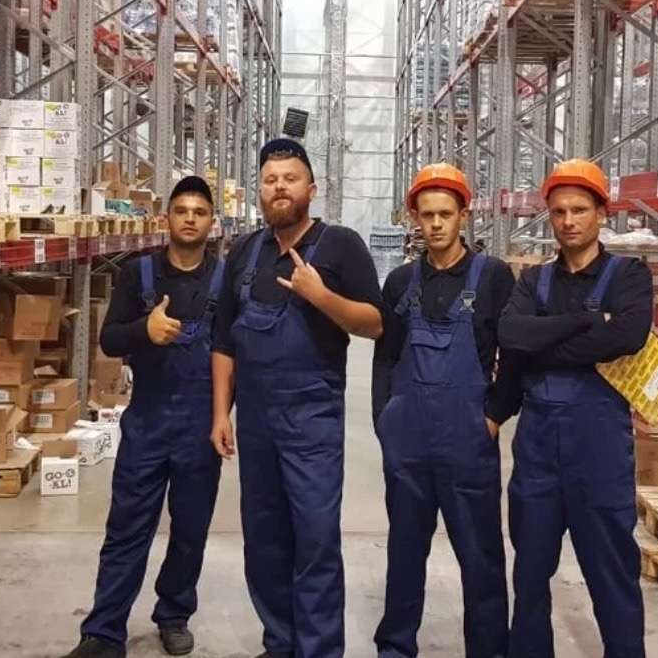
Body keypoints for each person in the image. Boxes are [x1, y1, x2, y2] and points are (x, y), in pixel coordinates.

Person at [210, 138, 383, 658]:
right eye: (270, 180)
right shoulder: (244, 253)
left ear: (312, 188)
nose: (279, 188)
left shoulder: (340, 245)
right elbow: (224, 339)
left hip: (312, 417)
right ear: (260, 190)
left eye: (290, 178)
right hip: (257, 418)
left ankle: (318, 649)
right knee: (263, 538)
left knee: (315, 539)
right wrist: (221, 412)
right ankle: (280, 642)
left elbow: (375, 324)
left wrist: (320, 295)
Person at [65, 176, 225, 658]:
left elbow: (232, 352)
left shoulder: (226, 280)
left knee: (190, 529)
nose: (190, 219)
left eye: (199, 211)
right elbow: (110, 340)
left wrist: (224, 414)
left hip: (200, 425)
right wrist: (144, 329)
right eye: (182, 210)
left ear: (212, 222)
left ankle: (174, 615)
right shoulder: (138, 274)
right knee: (128, 526)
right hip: (148, 420)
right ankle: (103, 631)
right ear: (166, 218)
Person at [498, 159, 652, 658]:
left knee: (612, 574)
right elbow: (511, 334)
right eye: (559, 211)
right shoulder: (533, 280)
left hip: (599, 454)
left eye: (580, 210)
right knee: (529, 573)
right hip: (538, 455)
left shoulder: (629, 275)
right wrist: (587, 324)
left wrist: (543, 343)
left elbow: (628, 335)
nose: (569, 221)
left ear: (602, 213)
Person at [371, 164, 519, 658]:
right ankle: (395, 647)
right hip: (408, 443)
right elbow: (386, 357)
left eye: (445, 214)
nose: (435, 224)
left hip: (468, 442)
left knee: (481, 558)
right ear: (415, 217)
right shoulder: (400, 282)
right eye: (427, 214)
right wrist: (385, 418)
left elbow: (514, 355)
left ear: (463, 216)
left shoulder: (493, 277)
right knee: (404, 553)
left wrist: (494, 415)